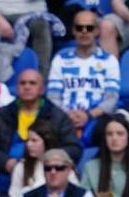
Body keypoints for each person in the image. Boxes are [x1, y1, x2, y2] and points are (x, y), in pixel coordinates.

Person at [46, 8, 119, 145]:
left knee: (111, 129)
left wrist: (89, 115)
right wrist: (67, 115)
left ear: (97, 31)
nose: (84, 31)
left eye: (89, 28)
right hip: (64, 116)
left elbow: (111, 99)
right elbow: (53, 96)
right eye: (79, 28)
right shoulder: (60, 58)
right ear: (73, 31)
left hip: (97, 119)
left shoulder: (109, 60)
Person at [0, 68, 79, 172]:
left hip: (46, 174)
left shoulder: (57, 116)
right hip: (6, 174)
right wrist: (5, 162)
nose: (27, 87)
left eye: (32, 83)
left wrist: (48, 159)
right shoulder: (3, 115)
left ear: (42, 89)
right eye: (22, 83)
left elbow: (74, 149)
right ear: (16, 88)